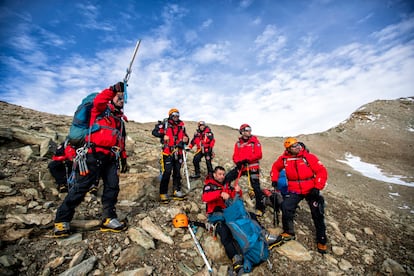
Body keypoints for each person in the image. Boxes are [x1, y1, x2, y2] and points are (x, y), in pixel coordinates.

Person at [53, 82, 129, 237]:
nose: (122, 100)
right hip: (92, 155)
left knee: (112, 187)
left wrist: (123, 159)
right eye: (119, 97)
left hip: (111, 158)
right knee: (81, 188)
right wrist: (112, 90)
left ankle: (109, 218)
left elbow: (121, 141)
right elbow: (99, 101)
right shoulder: (99, 110)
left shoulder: (119, 121)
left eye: (123, 98)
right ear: (111, 99)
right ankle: (62, 220)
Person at [202, 166, 277, 274]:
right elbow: (205, 197)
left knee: (250, 215)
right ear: (214, 174)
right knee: (224, 231)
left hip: (229, 212)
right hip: (216, 215)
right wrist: (219, 194)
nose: (222, 176)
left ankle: (263, 234)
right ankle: (235, 258)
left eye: (223, 174)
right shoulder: (209, 186)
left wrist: (238, 191)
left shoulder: (226, 185)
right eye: (219, 174)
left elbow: (235, 197)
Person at [270, 137, 328, 253]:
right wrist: (274, 179)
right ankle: (288, 232)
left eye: (298, 145)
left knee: (317, 213)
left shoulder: (308, 157)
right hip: (295, 189)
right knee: (286, 207)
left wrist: (317, 186)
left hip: (311, 188)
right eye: (294, 146)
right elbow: (275, 168)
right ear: (288, 149)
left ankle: (322, 240)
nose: (297, 147)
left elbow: (321, 171)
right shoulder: (285, 159)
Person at [225, 124, 266, 216]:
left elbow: (259, 154)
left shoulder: (255, 142)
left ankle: (260, 208)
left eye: (250, 129)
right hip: (241, 167)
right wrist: (238, 162)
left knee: (256, 187)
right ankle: (228, 196)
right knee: (227, 178)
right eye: (247, 130)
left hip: (252, 167)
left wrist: (248, 159)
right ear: (242, 132)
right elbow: (235, 156)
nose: (249, 131)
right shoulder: (238, 143)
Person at [152, 108, 189, 203]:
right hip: (167, 152)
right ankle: (163, 193)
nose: (177, 116)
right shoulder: (164, 124)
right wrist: (162, 136)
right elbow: (154, 132)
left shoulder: (182, 126)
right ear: (171, 115)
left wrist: (186, 139)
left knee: (177, 172)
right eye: (175, 115)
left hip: (179, 152)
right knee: (167, 172)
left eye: (178, 115)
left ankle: (176, 191)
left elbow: (186, 137)